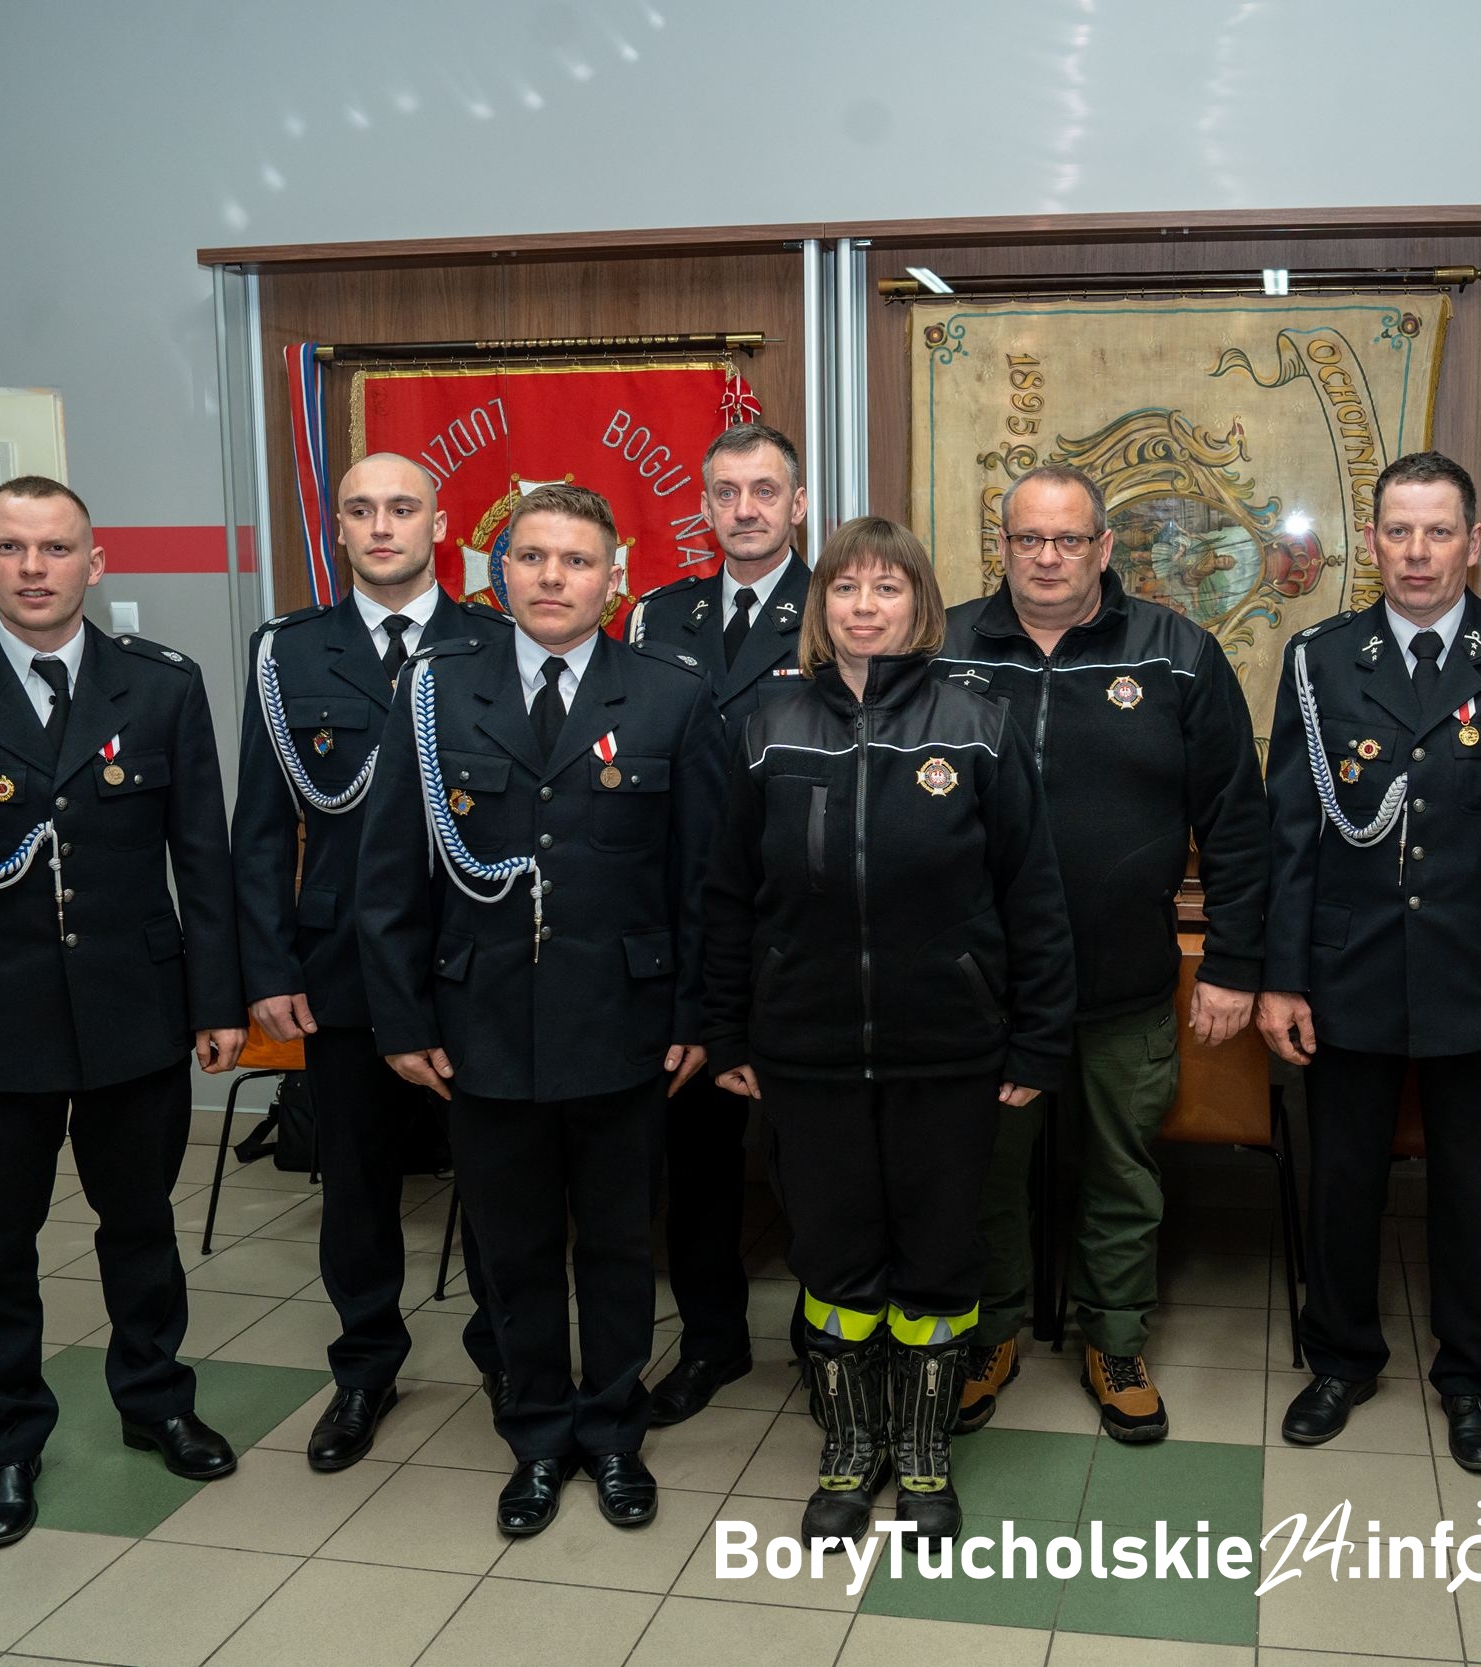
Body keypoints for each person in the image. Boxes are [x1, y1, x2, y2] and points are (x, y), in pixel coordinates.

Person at [0, 476, 245, 1549]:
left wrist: (218, 999)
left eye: (56, 547)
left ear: (95, 563)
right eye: (11, 548)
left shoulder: (159, 685)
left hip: (133, 1009)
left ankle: (156, 1398)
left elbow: (200, 857)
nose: (34, 567)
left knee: (142, 1228)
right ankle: (10, 1440)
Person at [357, 482, 723, 1538]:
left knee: (615, 1243)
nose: (551, 578)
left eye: (574, 560)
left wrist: (697, 1011)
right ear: (497, 571)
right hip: (481, 1028)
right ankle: (534, 1434)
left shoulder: (668, 694)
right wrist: (402, 1020)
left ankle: (611, 1433)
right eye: (531, 558)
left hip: (625, 1021)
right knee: (508, 1248)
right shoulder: (432, 691)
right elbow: (388, 877)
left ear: (615, 577)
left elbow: (702, 878)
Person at [702, 516, 1073, 1548]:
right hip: (805, 1050)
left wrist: (1038, 1040)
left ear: (921, 604)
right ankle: (846, 1447)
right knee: (833, 1255)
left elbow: (1032, 896)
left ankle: (922, 1449)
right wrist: (726, 1029)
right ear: (820, 608)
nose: (866, 605)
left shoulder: (977, 724)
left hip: (950, 1048)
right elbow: (728, 897)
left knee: (937, 1260)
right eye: (846, 589)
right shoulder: (767, 723)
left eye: (888, 587)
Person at [936, 463, 1269, 1443]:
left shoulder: (1175, 653)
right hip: (983, 991)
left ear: (1104, 548)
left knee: (1122, 1172)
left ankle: (1113, 1338)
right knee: (984, 1173)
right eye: (1027, 539)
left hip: (1122, 979)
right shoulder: (945, 646)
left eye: (1068, 540)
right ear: (1000, 546)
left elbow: (1238, 825)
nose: (1047, 558)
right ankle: (988, 1332)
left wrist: (1236, 962)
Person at [1257, 451, 1481, 1472]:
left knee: (1474, 1183)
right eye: (1399, 530)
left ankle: (1473, 1376)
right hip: (1346, 965)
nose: (1418, 552)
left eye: (1440, 531)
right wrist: (1282, 974)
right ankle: (1341, 1357)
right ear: (1373, 540)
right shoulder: (1320, 660)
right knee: (1340, 1175)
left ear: (1473, 543)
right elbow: (1291, 829)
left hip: (1478, 967)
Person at [232, 452, 513, 1469]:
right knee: (354, 1181)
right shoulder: (287, 654)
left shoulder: (496, 637)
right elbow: (259, 828)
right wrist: (266, 968)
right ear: (337, 529)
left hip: (473, 958)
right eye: (361, 510)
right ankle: (364, 1366)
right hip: (341, 962)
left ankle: (506, 1352)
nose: (382, 525)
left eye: (402, 508)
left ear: (441, 524)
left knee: (495, 1175)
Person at [634, 422, 813, 1426]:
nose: (742, 508)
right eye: (724, 492)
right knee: (696, 1152)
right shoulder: (661, 612)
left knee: (808, 1149)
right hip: (689, 920)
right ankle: (713, 1339)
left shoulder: (835, 609)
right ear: (702, 506)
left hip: (798, 920)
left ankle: (823, 1340)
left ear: (796, 505)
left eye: (762, 490)